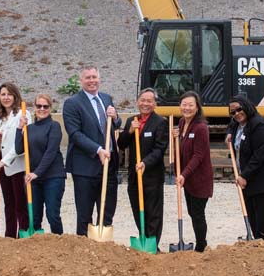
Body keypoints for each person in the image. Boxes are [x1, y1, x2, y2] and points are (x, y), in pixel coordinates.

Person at [62, 66, 121, 236]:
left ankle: (102, 246)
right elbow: (74, 134)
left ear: (99, 79)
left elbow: (115, 125)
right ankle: (83, 250)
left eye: (94, 77)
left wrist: (116, 117)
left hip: (109, 165)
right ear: (81, 81)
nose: (91, 80)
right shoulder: (72, 103)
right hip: (85, 167)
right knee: (84, 213)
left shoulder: (106, 98)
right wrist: (98, 150)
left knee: (107, 210)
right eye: (87, 77)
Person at [226, 95, 264, 240]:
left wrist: (244, 175)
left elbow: (259, 156)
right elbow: (231, 125)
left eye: (239, 109)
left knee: (261, 214)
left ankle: (262, 240)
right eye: (233, 112)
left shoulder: (260, 125)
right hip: (246, 176)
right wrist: (228, 134)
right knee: (250, 211)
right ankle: (253, 238)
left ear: (246, 107)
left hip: (261, 177)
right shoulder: (237, 123)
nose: (237, 114)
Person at [116, 88, 169, 247]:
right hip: (134, 174)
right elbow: (121, 144)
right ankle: (143, 237)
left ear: (155, 104)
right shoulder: (132, 120)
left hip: (152, 174)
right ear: (137, 102)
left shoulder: (160, 122)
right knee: (137, 208)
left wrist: (145, 162)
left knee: (153, 211)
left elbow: (160, 149)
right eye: (142, 100)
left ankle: (153, 244)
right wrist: (130, 131)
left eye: (149, 101)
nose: (145, 104)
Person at [15, 92, 66, 233]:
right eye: (39, 106)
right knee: (35, 217)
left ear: (50, 108)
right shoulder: (29, 128)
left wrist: (37, 173)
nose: (42, 109)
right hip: (34, 179)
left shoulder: (54, 126)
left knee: (52, 214)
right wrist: (19, 128)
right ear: (34, 107)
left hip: (53, 177)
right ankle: (37, 249)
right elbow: (19, 149)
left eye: (45, 106)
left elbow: (50, 152)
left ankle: (59, 243)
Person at [174, 91, 213, 252]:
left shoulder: (201, 128)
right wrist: (175, 137)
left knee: (197, 213)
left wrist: (184, 173)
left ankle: (201, 246)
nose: (187, 108)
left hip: (200, 179)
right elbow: (181, 150)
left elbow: (198, 155)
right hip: (188, 179)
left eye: (191, 105)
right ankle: (200, 242)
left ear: (197, 107)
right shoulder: (182, 123)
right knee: (192, 212)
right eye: (184, 104)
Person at [0, 82, 28, 238]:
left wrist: (4, 161)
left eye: (9, 94)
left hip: (17, 165)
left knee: (20, 203)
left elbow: (21, 144)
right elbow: (0, 143)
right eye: (3, 95)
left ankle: (23, 234)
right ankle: (10, 235)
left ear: (15, 96)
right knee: (9, 203)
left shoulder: (23, 114)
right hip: (4, 166)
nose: (6, 98)